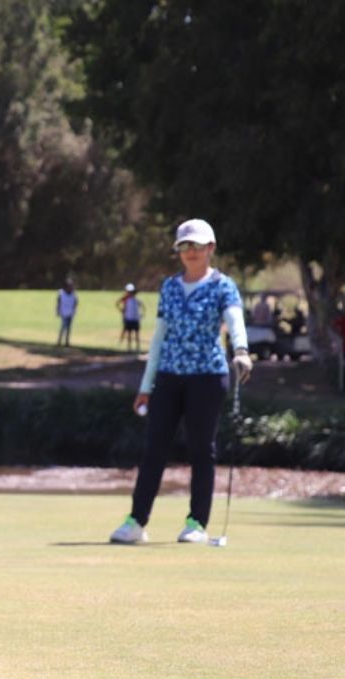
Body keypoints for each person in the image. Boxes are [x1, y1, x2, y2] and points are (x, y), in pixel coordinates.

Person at [110, 219, 252, 545]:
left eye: (197, 246)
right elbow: (158, 339)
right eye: (185, 246)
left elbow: (234, 320)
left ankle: (196, 523)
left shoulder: (222, 285)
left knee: (202, 450)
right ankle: (136, 521)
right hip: (169, 377)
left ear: (211, 249)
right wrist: (146, 386)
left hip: (208, 376)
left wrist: (241, 350)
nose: (191, 252)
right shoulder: (170, 286)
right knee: (154, 450)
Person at [116, 283, 144, 352]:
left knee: (136, 333)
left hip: (135, 319)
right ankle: (128, 346)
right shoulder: (126, 299)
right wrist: (122, 311)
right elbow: (118, 304)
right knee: (128, 332)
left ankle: (137, 346)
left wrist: (141, 315)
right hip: (128, 318)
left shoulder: (136, 300)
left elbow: (142, 306)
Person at [56, 277, 78, 347]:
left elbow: (76, 302)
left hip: (70, 313)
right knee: (63, 327)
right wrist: (58, 310)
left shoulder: (74, 293)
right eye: (69, 285)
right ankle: (59, 342)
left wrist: (74, 310)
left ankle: (67, 342)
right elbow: (58, 303)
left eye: (71, 285)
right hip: (64, 313)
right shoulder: (61, 293)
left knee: (69, 328)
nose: (71, 286)